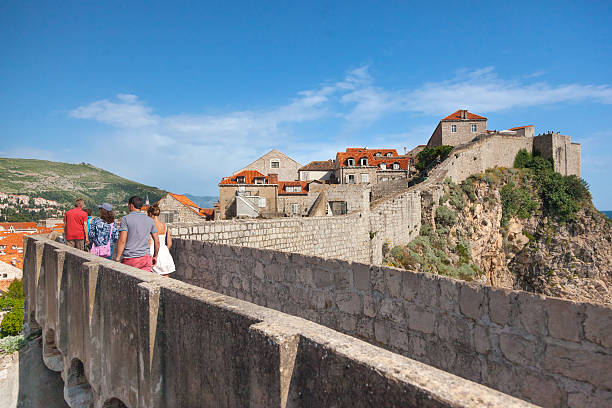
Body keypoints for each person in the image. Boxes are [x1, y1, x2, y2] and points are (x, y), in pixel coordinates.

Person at [115, 196, 159, 272]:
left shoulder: (125, 219)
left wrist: (118, 258)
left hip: (131, 258)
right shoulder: (150, 220)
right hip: (146, 259)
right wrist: (155, 256)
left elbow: (122, 240)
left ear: (131, 205)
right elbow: (157, 241)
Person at [147, 203, 175, 276]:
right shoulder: (165, 226)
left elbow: (149, 241)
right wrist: (165, 250)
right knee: (165, 275)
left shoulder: (149, 226)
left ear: (150, 214)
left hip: (152, 251)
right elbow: (169, 243)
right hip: (164, 252)